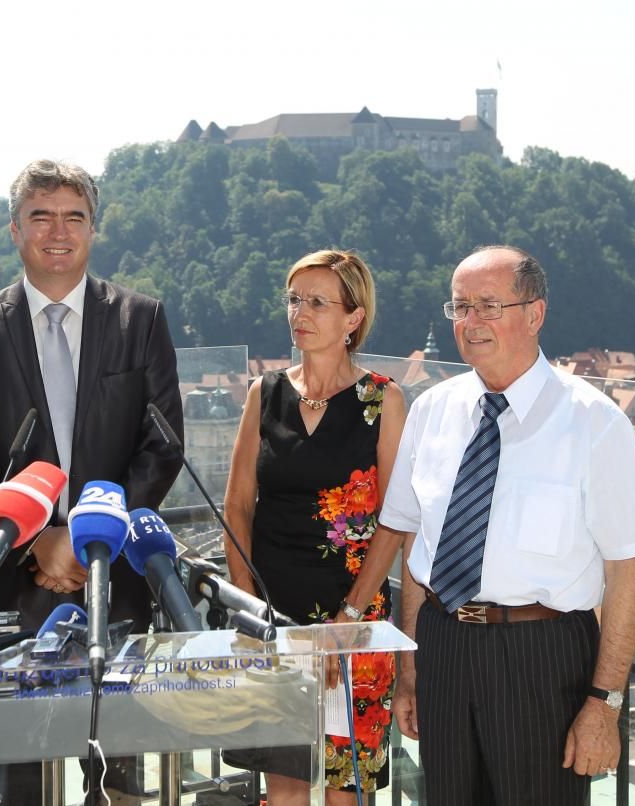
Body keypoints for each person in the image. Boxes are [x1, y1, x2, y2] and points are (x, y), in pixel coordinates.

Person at [376, 245, 635, 805]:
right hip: (441, 644)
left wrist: (604, 704)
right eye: (460, 306)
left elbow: (628, 571)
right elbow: (417, 546)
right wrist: (410, 669)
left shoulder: (594, 423)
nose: (471, 321)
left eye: (489, 305)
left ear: (535, 314)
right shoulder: (431, 410)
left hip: (541, 657)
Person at [0, 159, 184, 802]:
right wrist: (41, 538)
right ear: (14, 229)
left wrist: (88, 540)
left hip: (116, 577)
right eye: (40, 216)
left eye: (74, 217)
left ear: (93, 229)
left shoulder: (141, 319)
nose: (58, 231)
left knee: (121, 777)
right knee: (23, 781)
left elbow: (162, 445)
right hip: (13, 580)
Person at [222, 249, 407, 804]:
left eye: (318, 302)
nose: (299, 313)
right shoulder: (265, 393)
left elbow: (395, 520)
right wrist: (249, 609)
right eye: (294, 299)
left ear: (354, 318)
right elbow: (238, 506)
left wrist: (347, 620)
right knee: (284, 790)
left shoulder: (382, 400)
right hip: (273, 621)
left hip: (353, 621)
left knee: (344, 790)